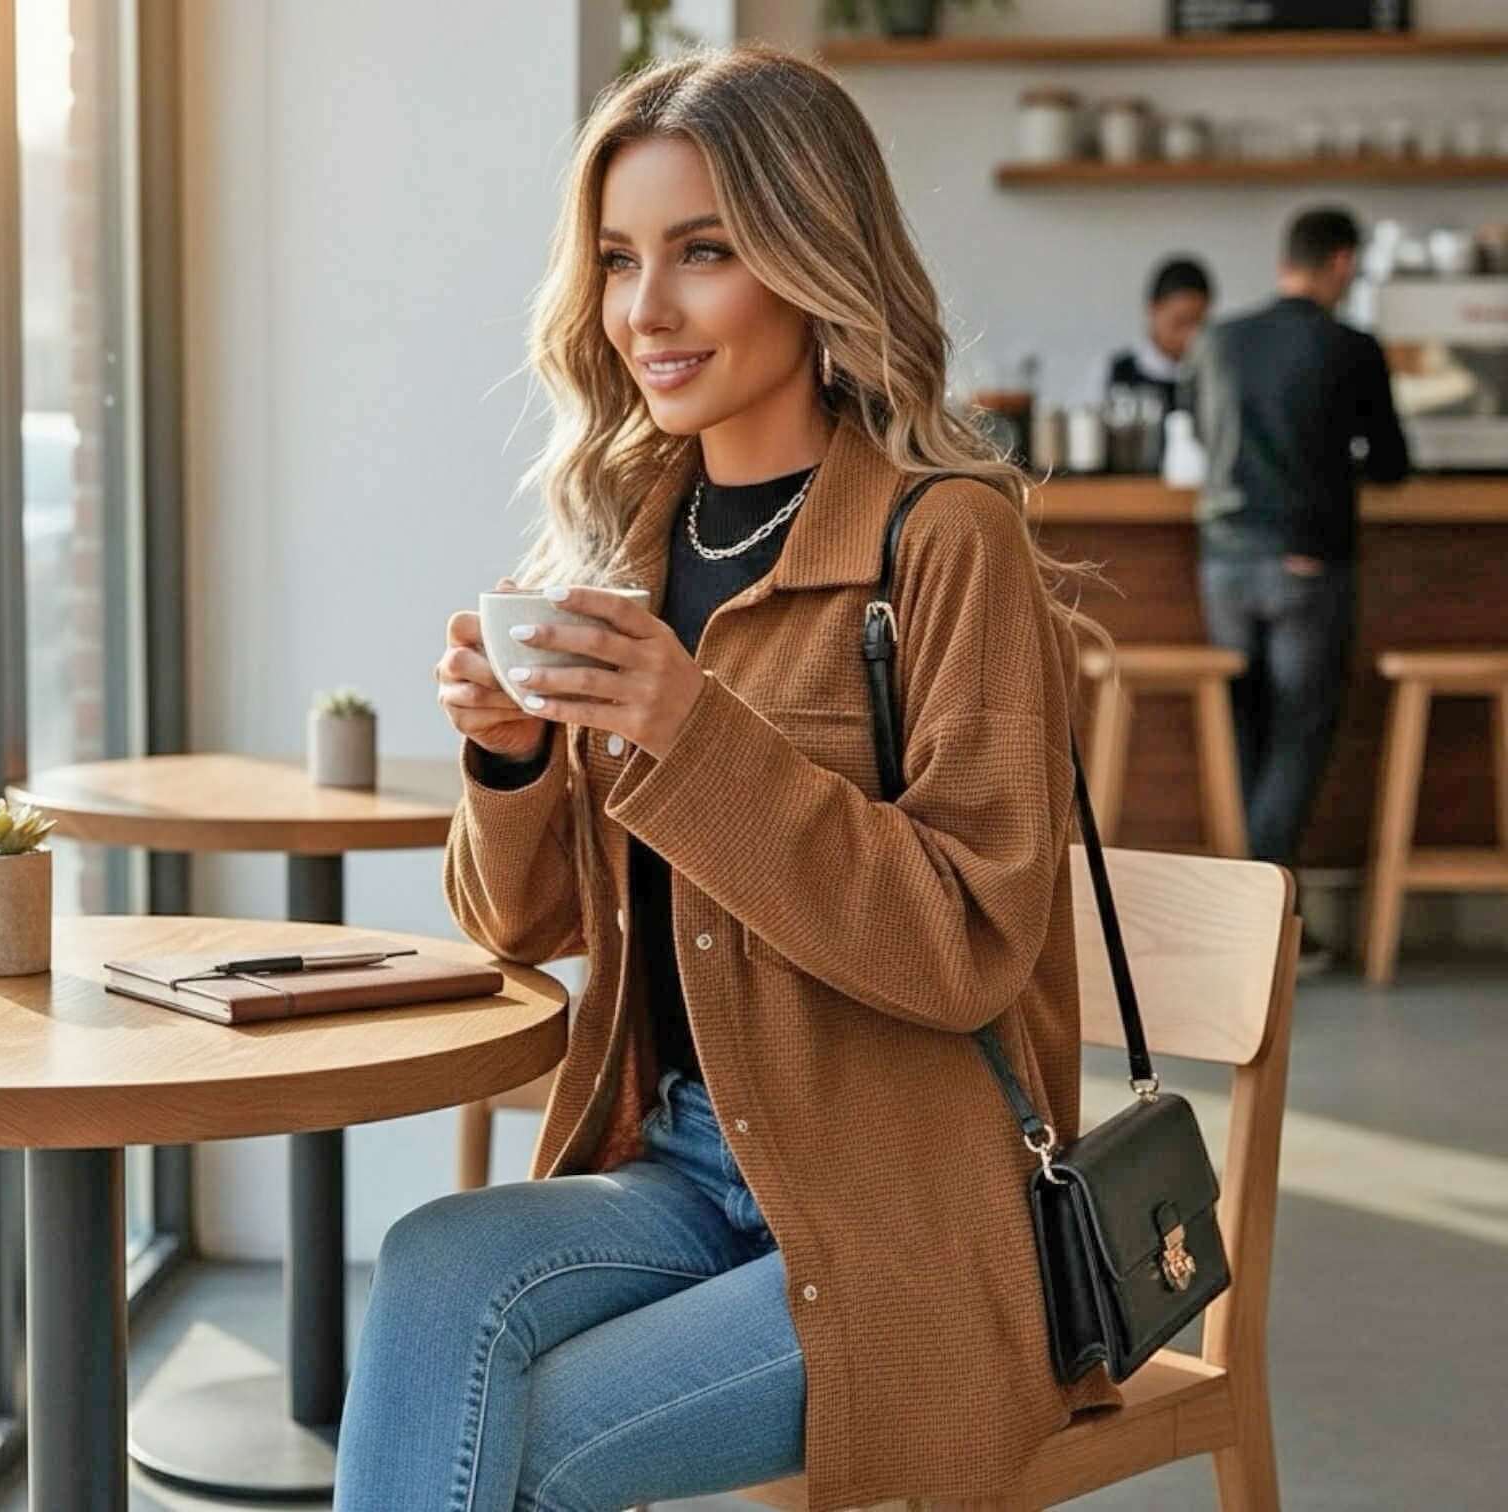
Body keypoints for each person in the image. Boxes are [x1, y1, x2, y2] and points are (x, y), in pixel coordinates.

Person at [333, 42, 1117, 1512]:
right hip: (696, 1164)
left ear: (815, 255)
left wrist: (695, 740)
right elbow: (522, 931)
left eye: (705, 251)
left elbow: (963, 950)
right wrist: (506, 759)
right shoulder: (634, 535)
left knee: (526, 1447)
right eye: (620, 260)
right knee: (438, 1268)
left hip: (913, 1205)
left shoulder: (946, 547)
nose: (647, 309)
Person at [1189, 205, 1409, 970]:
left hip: (1221, 564)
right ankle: (1260, 925)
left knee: (1247, 736)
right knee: (1297, 738)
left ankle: (1269, 921)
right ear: (1342, 263)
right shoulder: (1350, 347)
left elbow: (1195, 431)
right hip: (1305, 564)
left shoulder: (1216, 341)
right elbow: (1390, 463)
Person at [1099, 254, 1215, 417]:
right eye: (1179, 323)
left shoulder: (1214, 376)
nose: (1190, 336)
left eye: (1200, 325)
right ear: (1153, 310)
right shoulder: (1116, 372)